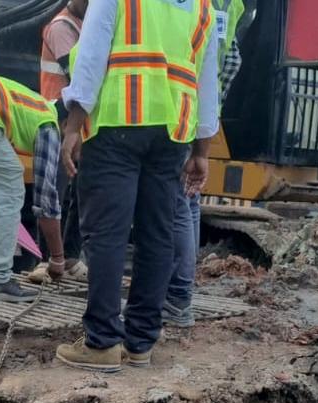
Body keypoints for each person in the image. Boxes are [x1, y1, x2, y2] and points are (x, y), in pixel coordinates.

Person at [54, 0, 220, 372]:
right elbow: (208, 79)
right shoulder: (202, 5)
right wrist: (202, 149)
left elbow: (92, 51)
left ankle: (101, 343)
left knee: (107, 233)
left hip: (117, 122)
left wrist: (74, 122)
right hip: (172, 131)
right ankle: (141, 342)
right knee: (157, 232)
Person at [163, 0, 245, 327]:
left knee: (179, 204)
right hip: (199, 103)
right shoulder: (227, 4)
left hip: (182, 104)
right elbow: (232, 56)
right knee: (190, 201)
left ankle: (178, 295)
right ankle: (181, 292)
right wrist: (214, 98)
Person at [0, 75, 67, 302]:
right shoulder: (49, 125)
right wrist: (57, 257)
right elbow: (45, 199)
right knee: (7, 192)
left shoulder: (33, 104)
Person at [27, 0, 89, 284]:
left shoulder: (82, 23)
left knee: (80, 194)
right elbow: (80, 78)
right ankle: (44, 259)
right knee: (53, 193)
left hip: (79, 124)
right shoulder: (61, 27)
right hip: (59, 120)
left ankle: (71, 255)